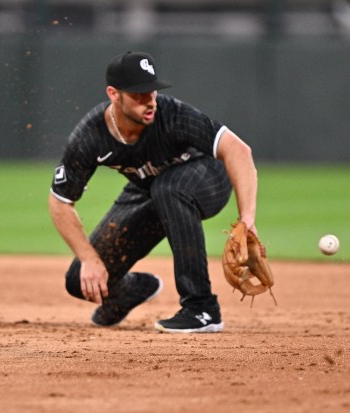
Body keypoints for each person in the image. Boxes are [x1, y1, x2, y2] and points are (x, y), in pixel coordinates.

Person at [48, 51, 258, 333]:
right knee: (79, 280)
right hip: (147, 189)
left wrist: (247, 220)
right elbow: (61, 202)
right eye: (138, 95)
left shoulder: (172, 114)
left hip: (207, 178)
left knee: (168, 188)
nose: (149, 101)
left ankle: (202, 308)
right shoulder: (90, 136)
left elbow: (238, 150)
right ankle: (133, 290)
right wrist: (89, 259)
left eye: (152, 92)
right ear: (114, 94)